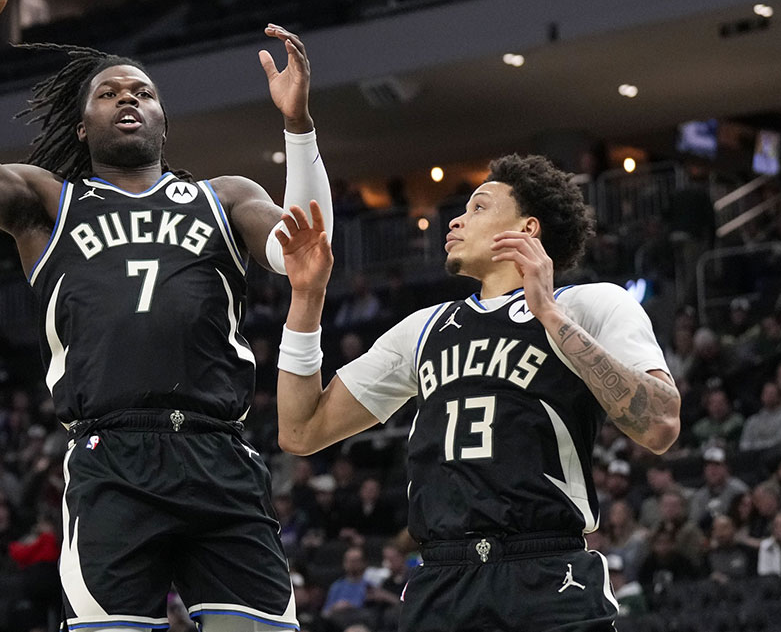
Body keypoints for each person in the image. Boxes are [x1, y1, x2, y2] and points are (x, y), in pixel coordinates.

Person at [0, 0, 333, 627]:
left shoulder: (224, 197)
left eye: (140, 91)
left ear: (163, 119)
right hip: (111, 458)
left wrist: (299, 126)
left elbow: (305, 252)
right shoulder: (45, 203)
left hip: (217, 452)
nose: (127, 98)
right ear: (83, 127)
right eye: (109, 93)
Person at [273, 155, 680, 630]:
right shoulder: (423, 329)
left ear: (528, 230)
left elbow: (661, 425)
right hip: (443, 580)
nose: (457, 219)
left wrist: (550, 314)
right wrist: (306, 299)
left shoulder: (590, 304)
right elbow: (300, 431)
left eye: (479, 207)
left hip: (548, 571)